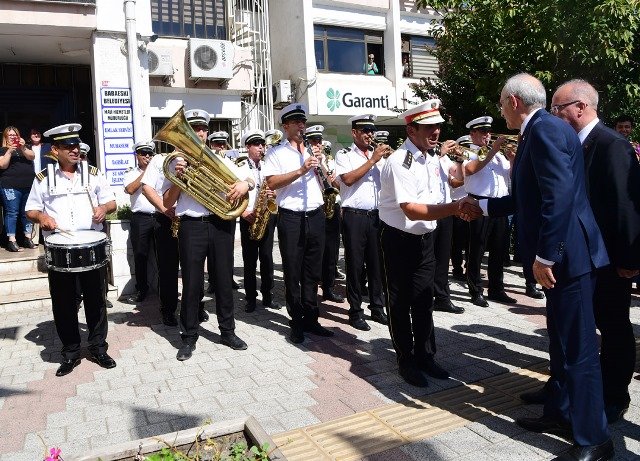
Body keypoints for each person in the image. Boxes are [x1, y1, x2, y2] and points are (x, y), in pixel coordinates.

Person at [475, 73, 613, 461]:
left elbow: (559, 197)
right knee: (561, 344)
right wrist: (480, 206)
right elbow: (528, 198)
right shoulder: (540, 129)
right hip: (562, 258)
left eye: (502, 102)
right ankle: (560, 412)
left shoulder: (546, 130)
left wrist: (545, 257)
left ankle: (595, 439)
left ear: (514, 102)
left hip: (566, 260)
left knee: (580, 350)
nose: (500, 109)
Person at [523, 79, 640, 425]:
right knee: (565, 329)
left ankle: (613, 396)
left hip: (609, 261)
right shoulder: (573, 142)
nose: (554, 115)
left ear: (581, 107)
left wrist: (629, 262)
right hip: (578, 257)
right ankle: (560, 390)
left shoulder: (612, 144)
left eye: (558, 108)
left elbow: (626, 208)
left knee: (613, 327)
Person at [378, 99, 479, 387]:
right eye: (428, 127)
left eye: (437, 126)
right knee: (399, 302)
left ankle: (425, 355)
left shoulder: (431, 157)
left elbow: (451, 186)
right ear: (411, 130)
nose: (435, 132)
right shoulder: (400, 161)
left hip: (425, 239)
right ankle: (405, 360)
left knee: (424, 299)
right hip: (398, 240)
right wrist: (455, 208)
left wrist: (459, 169)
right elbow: (410, 208)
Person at [25, 123, 117, 377]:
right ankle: (70, 353)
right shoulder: (43, 178)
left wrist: (103, 209)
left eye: (77, 145)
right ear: (55, 150)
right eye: (69, 146)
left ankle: (98, 347)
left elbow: (111, 201)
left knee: (96, 301)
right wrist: (41, 217)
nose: (75, 150)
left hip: (91, 246)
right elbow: (30, 209)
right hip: (60, 249)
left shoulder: (94, 173)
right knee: (64, 303)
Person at [163, 109, 253, 360]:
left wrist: (247, 184)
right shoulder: (174, 162)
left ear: (207, 132)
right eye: (194, 128)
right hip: (192, 226)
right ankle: (189, 337)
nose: (199, 133)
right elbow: (167, 202)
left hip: (221, 225)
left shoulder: (221, 159)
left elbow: (248, 178)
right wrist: (178, 180)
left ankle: (227, 331)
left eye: (202, 129)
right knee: (192, 283)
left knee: (224, 281)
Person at [263, 103, 334, 344]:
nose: (302, 126)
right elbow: (271, 182)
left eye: (303, 122)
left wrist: (319, 164)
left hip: (315, 215)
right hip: (291, 218)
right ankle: (296, 321)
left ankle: (312, 318)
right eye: (296, 122)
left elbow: (325, 180)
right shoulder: (276, 153)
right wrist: (301, 170)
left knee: (313, 272)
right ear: (286, 126)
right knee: (293, 272)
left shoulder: (311, 151)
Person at [334, 114, 389, 331]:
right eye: (365, 131)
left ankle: (377, 307)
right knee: (355, 266)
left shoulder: (381, 157)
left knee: (377, 265)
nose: (369, 135)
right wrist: (373, 160)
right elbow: (346, 179)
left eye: (371, 131)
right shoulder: (344, 154)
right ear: (354, 133)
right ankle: (355, 312)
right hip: (354, 216)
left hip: (376, 216)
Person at [463, 116, 515, 307]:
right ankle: (475, 290)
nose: (487, 135)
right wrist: (493, 149)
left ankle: (496, 288)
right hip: (477, 204)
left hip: (498, 205)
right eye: (483, 132)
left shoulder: (499, 155)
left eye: (488, 132)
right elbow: (470, 169)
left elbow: (510, 177)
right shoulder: (469, 152)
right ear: (473, 134)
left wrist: (512, 160)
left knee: (499, 250)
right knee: (476, 249)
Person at [238, 129, 282, 313]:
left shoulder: (268, 166)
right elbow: (233, 195)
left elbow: (278, 187)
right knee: (249, 261)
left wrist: (274, 193)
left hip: (266, 215)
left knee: (267, 258)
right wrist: (243, 213)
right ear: (248, 147)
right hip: (248, 216)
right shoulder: (239, 168)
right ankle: (250, 298)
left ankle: (267, 295)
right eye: (257, 144)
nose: (261, 148)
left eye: (262, 144)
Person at [141, 143, 180, 327]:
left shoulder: (198, 159)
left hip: (189, 220)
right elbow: (146, 187)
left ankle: (195, 306)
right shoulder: (160, 159)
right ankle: (168, 309)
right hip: (166, 219)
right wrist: (164, 209)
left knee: (193, 268)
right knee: (168, 269)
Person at [304, 125, 344, 304]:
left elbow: (334, 186)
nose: (318, 144)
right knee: (313, 253)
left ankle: (328, 288)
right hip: (315, 209)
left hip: (331, 208)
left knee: (331, 251)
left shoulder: (327, 160)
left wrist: (322, 164)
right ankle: (309, 291)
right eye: (313, 141)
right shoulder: (304, 159)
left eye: (319, 141)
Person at [432, 137, 465, 314]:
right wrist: (439, 153)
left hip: (445, 210)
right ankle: (424, 295)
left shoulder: (444, 158)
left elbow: (456, 180)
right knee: (426, 258)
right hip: (428, 211)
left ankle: (442, 297)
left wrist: (459, 160)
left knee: (443, 258)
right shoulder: (427, 155)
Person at [123, 141, 157, 304]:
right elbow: (130, 189)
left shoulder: (158, 172)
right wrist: (146, 173)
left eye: (150, 154)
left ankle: (164, 289)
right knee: (140, 256)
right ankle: (141, 289)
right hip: (140, 219)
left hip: (158, 217)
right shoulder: (131, 173)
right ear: (137, 155)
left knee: (163, 255)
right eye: (144, 154)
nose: (147, 157)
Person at [1, 126, 36, 252]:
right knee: (12, 212)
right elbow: (2, 165)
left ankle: (27, 238)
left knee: (26, 213)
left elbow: (32, 157)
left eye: (15, 135)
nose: (12, 137)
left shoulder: (25, 148)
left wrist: (23, 147)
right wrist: (9, 151)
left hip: (28, 185)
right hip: (10, 186)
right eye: (10, 135)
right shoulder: (2, 150)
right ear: (5, 137)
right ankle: (11, 241)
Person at [449, 135, 471, 281]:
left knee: (470, 242)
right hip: (456, 204)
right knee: (456, 243)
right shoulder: (452, 164)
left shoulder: (474, 161)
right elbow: (456, 183)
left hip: (470, 204)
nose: (467, 151)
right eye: (465, 148)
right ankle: (457, 269)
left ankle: (469, 269)